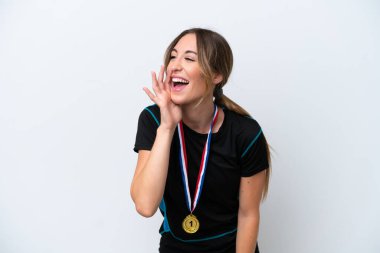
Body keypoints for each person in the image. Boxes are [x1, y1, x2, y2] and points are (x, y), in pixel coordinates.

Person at [131, 28, 271, 253]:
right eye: (173, 56)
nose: (175, 65)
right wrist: (167, 127)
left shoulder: (245, 133)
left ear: (216, 75)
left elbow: (248, 215)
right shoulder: (153, 120)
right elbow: (145, 205)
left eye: (189, 58)